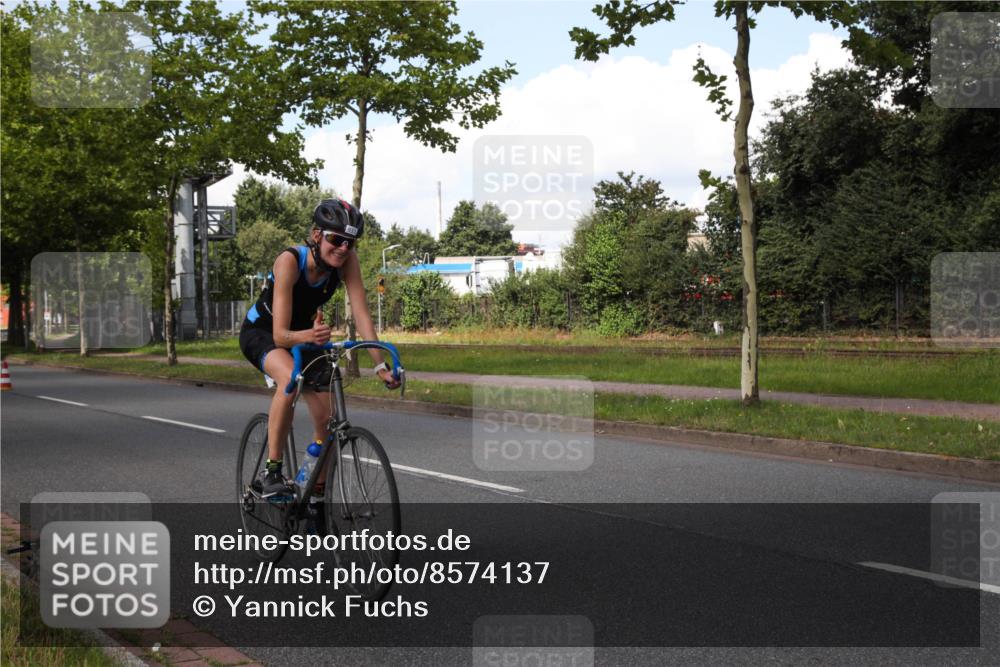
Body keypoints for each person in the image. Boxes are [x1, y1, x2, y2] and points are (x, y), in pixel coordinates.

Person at [239, 199, 399, 497]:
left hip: (307, 335)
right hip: (264, 332)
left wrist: (380, 366)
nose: (343, 248)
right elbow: (281, 336)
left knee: (328, 419)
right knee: (291, 378)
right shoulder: (289, 261)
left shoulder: (347, 261)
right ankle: (272, 471)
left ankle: (314, 495)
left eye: (350, 242)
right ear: (317, 235)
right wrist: (310, 336)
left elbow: (362, 314)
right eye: (336, 239)